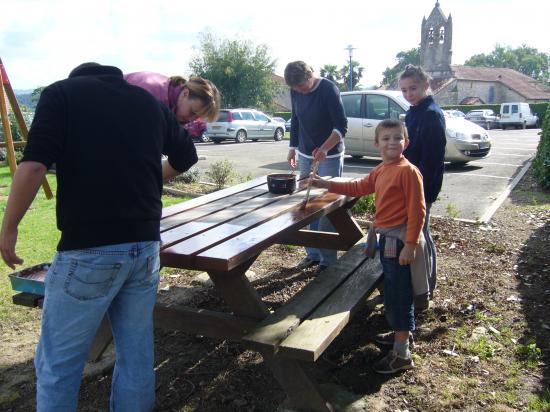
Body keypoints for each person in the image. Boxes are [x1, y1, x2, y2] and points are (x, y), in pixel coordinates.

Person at [0, 62, 201, 411]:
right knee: (136, 356)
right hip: (145, 249)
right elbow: (187, 154)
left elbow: (33, 166)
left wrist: (9, 227)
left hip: (89, 250)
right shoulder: (147, 103)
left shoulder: (61, 94)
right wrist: (153, 180)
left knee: (58, 366)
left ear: (78, 79)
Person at [309, 119, 426, 374]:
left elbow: (418, 211)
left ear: (407, 142)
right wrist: (326, 184)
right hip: (387, 239)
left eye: (398, 137)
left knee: (397, 293)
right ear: (377, 144)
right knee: (393, 290)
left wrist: (411, 244)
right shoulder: (383, 168)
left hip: (398, 242)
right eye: (386, 138)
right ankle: (400, 334)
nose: (392, 142)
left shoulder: (408, 171)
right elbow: (360, 186)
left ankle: (402, 352)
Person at [284, 61, 348, 274]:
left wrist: (325, 149)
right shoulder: (295, 90)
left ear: (310, 74)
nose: (300, 91)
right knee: (306, 203)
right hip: (304, 152)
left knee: (326, 205)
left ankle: (328, 260)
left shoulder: (328, 89)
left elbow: (341, 125)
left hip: (330, 153)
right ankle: (312, 254)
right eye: (296, 88)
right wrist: (293, 147)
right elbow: (295, 120)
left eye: (302, 86)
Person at [399, 64, 446, 301]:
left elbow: (433, 160)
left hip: (423, 187)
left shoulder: (431, 115)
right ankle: (422, 281)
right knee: (419, 233)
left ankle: (427, 284)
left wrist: (420, 191)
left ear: (426, 86)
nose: (409, 94)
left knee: (421, 235)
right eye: (404, 90)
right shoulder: (413, 111)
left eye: (413, 88)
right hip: (410, 183)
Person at [124, 71, 221, 137]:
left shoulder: (171, 104)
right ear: (185, 93)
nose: (191, 119)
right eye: (192, 112)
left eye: (197, 117)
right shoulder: (151, 97)